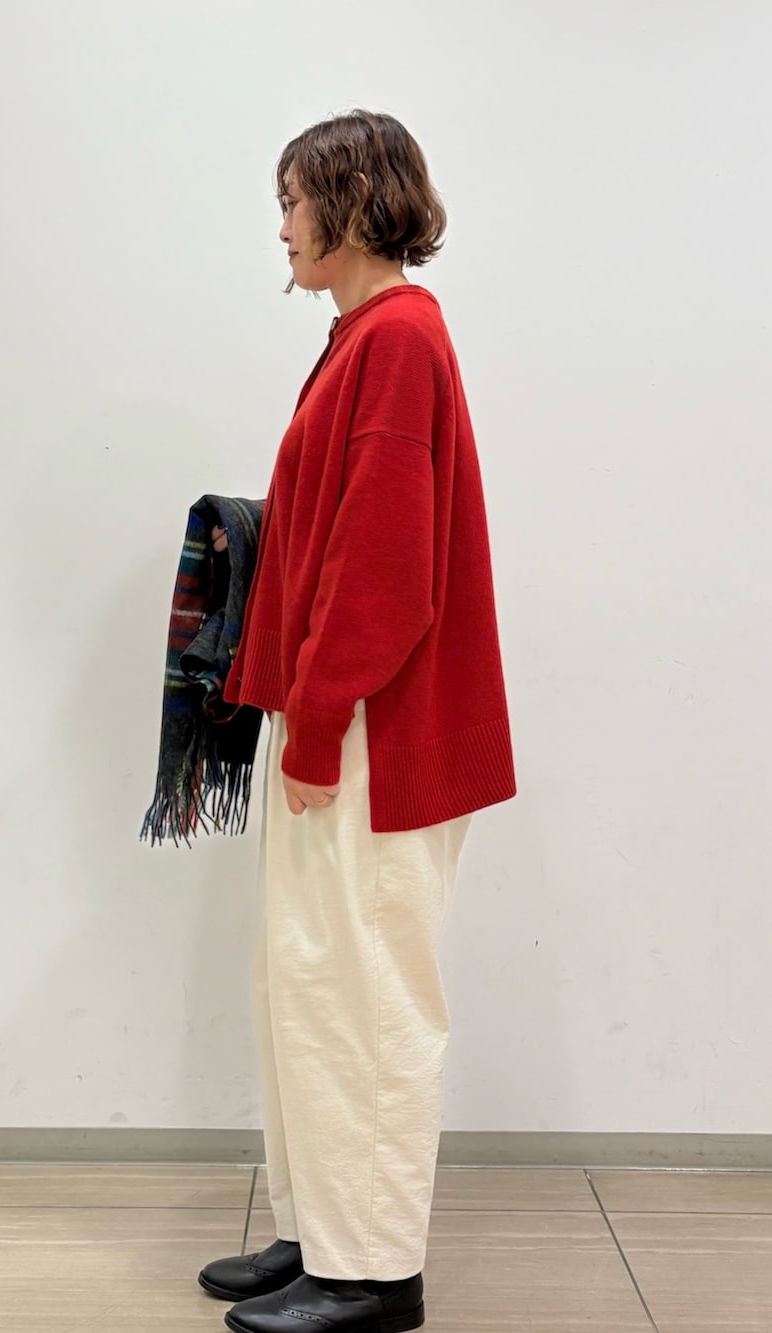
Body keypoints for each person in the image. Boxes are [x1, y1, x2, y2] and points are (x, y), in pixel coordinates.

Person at [198, 110, 516, 1333]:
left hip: (378, 732)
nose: (280, 226)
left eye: (292, 201)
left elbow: (384, 568)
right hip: (343, 718)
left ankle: (374, 1275)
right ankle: (322, 1235)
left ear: (351, 202)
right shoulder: (363, 338)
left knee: (364, 991)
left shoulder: (394, 341)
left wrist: (322, 721)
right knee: (306, 979)